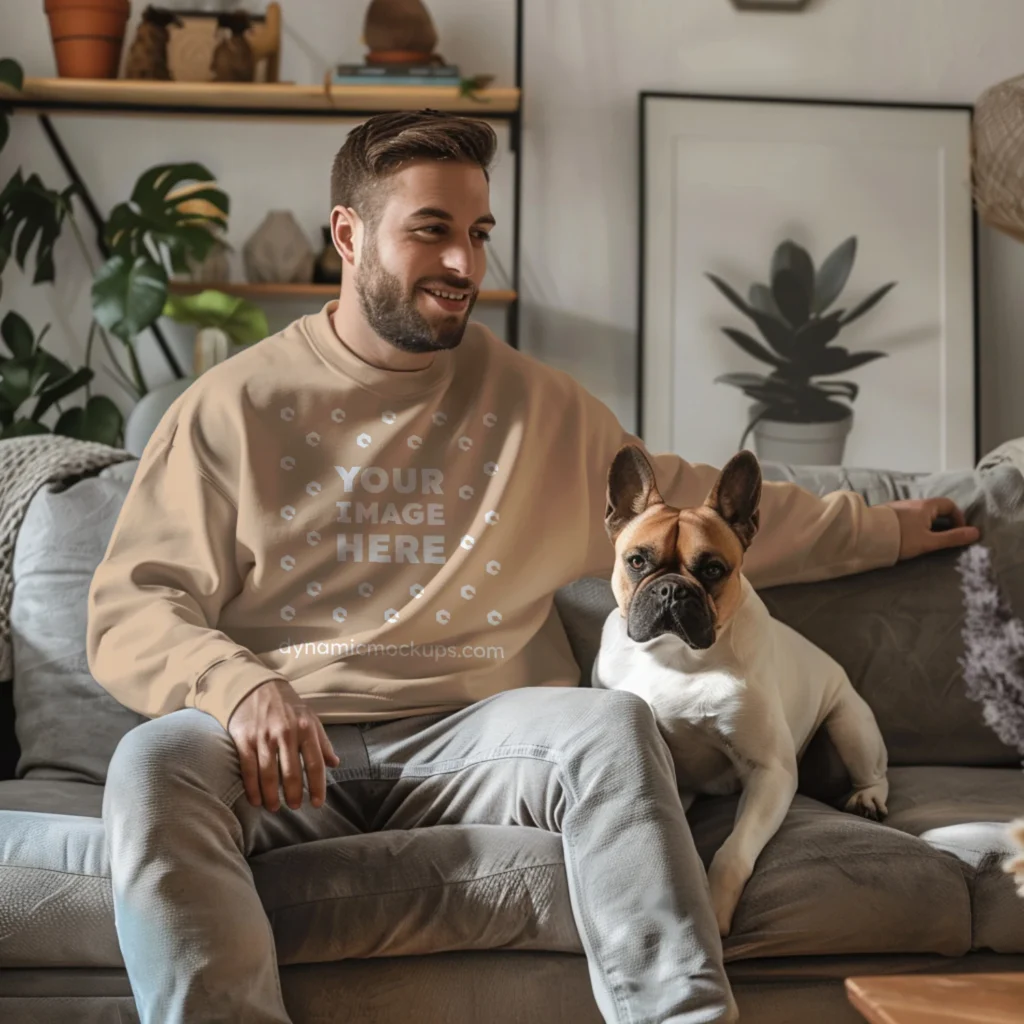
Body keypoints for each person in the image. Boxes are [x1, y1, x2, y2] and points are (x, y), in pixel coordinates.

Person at [87, 109, 980, 1024]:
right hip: (285, 748)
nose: (465, 266)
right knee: (152, 765)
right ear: (348, 236)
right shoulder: (230, 408)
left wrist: (888, 529)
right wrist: (236, 688)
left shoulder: (542, 410)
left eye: (478, 235)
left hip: (483, 738)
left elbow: (700, 509)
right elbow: (130, 607)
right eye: (431, 231)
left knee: (610, 728)